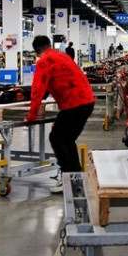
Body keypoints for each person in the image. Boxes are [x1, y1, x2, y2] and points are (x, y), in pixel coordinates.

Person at [26, 36, 95, 193]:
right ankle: (75, 178)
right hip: (87, 102)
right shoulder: (62, 56)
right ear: (50, 45)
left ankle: (68, 179)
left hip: (74, 104)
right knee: (67, 139)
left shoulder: (43, 61)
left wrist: (31, 116)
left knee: (57, 138)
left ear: (36, 53)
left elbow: (37, 90)